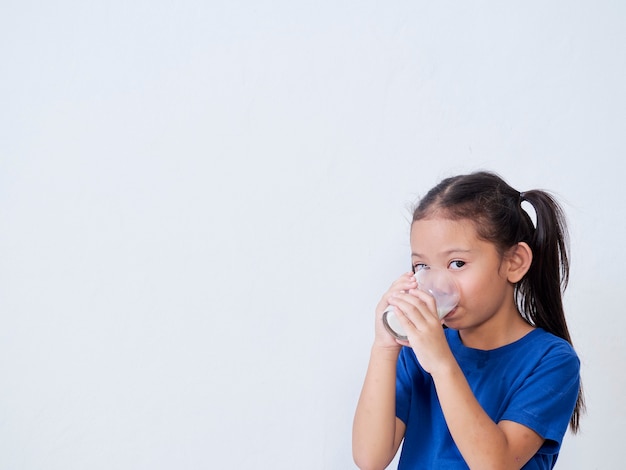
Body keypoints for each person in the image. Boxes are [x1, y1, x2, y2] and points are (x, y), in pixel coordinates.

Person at [352, 171, 584, 470]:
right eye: (422, 265)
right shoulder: (416, 352)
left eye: (457, 263)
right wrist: (384, 348)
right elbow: (370, 459)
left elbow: (496, 464)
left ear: (514, 262)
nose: (435, 284)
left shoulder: (551, 360)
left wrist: (441, 363)